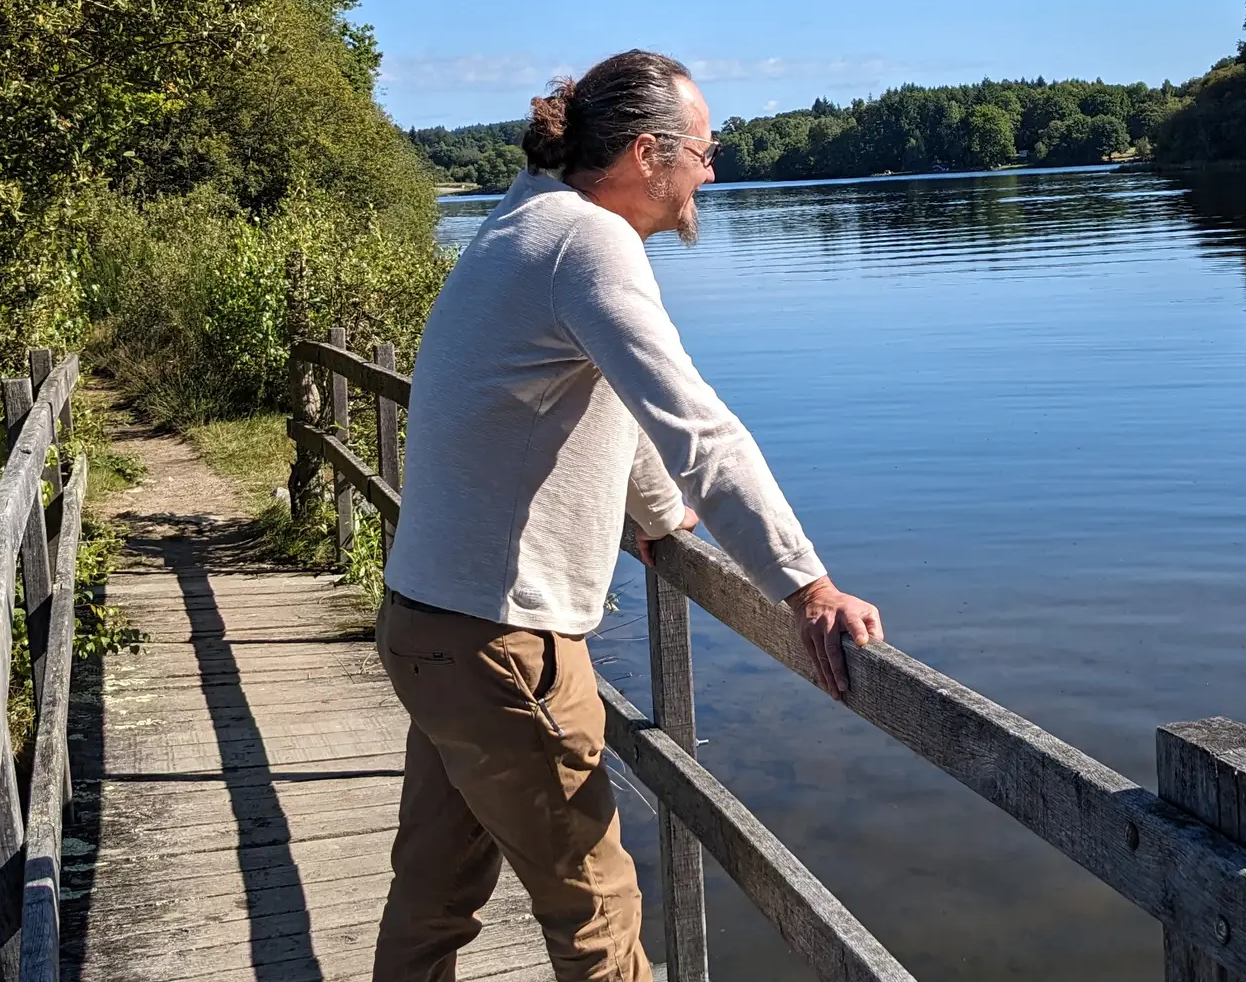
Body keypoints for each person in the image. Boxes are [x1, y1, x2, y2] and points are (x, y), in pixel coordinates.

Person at [373, 49, 883, 982]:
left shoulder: (523, 221)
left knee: (433, 899)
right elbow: (701, 432)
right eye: (704, 151)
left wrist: (652, 513)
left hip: (425, 624)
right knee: (600, 918)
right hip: (503, 641)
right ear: (649, 154)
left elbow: (602, 395)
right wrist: (807, 586)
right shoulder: (588, 243)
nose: (711, 174)